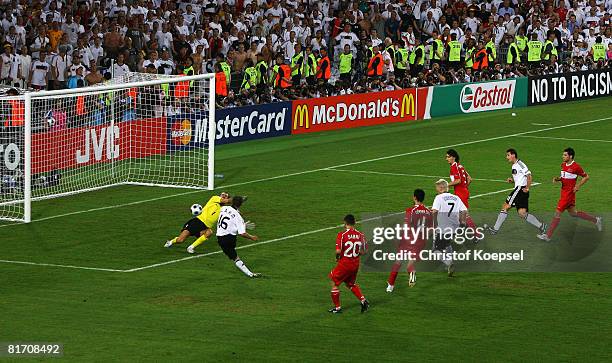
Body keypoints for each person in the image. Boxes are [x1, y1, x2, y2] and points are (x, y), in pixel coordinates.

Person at [537, 148, 602, 241]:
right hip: (563, 193)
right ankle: (596, 220)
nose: (563, 156)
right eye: (563, 155)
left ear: (570, 156)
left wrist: (578, 185)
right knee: (573, 213)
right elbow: (564, 177)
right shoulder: (563, 164)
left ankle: (547, 236)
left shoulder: (576, 167)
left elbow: (586, 177)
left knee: (557, 213)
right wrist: (558, 179)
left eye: (565, 155)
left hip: (568, 194)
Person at [486, 149, 547, 235]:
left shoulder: (520, 164)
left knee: (505, 206)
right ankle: (542, 226)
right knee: (522, 213)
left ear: (513, 155)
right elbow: (521, 178)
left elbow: (529, 176)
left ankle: (494, 229)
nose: (506, 157)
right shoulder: (514, 165)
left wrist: (527, 188)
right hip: (521, 190)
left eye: (508, 155)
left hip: (519, 190)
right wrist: (512, 181)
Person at [386, 189, 432, 292]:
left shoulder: (410, 211)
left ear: (414, 197)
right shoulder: (429, 212)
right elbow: (431, 229)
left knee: (398, 261)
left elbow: (406, 226)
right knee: (410, 264)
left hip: (408, 239)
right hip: (420, 241)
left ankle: (390, 286)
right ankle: (412, 272)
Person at [164, 192, 233, 254]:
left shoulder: (225, 209)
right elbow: (226, 201)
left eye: (225, 196)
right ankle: (170, 242)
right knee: (180, 240)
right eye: (222, 195)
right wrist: (236, 199)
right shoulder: (214, 199)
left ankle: (191, 247)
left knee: (209, 232)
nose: (223, 196)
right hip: (197, 222)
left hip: (205, 227)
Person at [329, 214, 369, 314]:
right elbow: (365, 251)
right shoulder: (360, 235)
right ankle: (363, 300)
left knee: (334, 282)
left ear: (345, 223)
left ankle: (337, 308)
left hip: (345, 264)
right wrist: (356, 253)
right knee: (350, 284)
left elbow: (338, 251)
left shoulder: (342, 235)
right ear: (354, 222)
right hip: (355, 264)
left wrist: (337, 258)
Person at [216, 196, 261, 278]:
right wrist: (252, 237)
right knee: (235, 257)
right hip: (229, 239)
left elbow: (229, 218)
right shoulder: (238, 217)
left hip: (220, 238)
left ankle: (250, 273)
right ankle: (250, 274)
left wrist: (242, 225)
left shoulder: (223, 208)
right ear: (240, 205)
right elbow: (242, 233)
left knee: (234, 257)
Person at [431, 179, 467, 277]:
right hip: (455, 228)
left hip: (443, 228)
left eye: (437, 187)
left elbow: (434, 212)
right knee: (447, 244)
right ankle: (449, 265)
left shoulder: (439, 197)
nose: (436, 189)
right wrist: (463, 223)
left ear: (441, 187)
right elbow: (464, 210)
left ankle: (448, 263)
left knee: (435, 250)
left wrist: (434, 225)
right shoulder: (456, 198)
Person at [445, 149, 477, 229]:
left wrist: (447, 185)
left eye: (448, 157)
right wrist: (465, 187)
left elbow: (458, 180)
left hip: (460, 193)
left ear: (454, 157)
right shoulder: (460, 166)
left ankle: (476, 234)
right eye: (446, 157)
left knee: (464, 215)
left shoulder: (454, 167)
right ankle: (463, 232)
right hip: (463, 192)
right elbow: (469, 178)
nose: (447, 159)